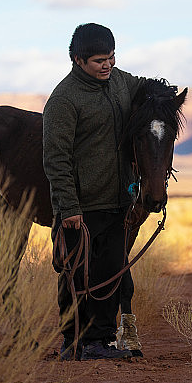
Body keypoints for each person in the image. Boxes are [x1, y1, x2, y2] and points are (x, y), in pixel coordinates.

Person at [43, 23, 143, 361]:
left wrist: (163, 93)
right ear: (78, 60)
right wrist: (68, 206)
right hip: (80, 209)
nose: (108, 65)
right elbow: (56, 159)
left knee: (109, 274)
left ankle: (100, 342)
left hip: (117, 202)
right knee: (74, 276)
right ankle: (72, 343)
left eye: (112, 58)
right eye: (100, 60)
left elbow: (142, 87)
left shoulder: (119, 82)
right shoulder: (63, 100)